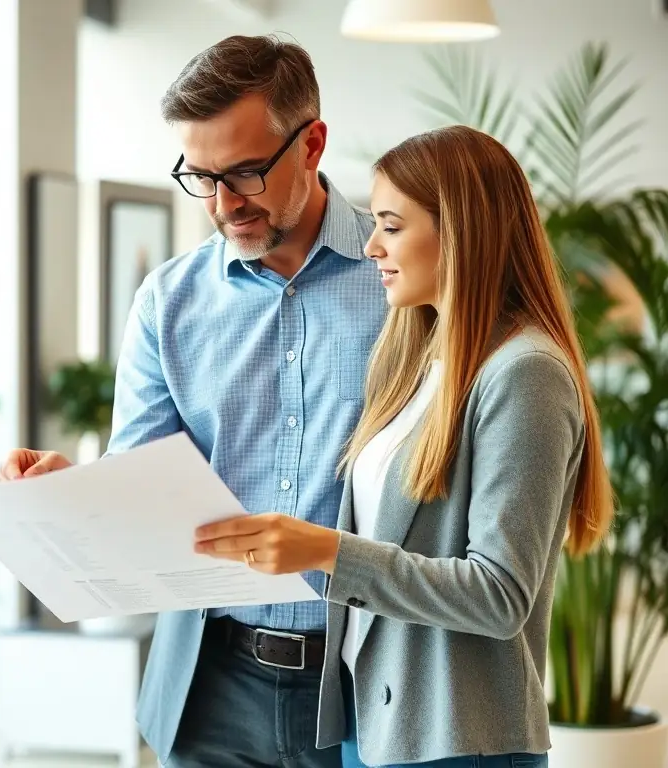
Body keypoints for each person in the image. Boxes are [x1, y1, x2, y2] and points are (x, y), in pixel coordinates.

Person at [0, 34, 388, 768]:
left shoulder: (400, 281)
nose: (222, 204)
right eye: (199, 176)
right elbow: (140, 481)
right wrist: (70, 490)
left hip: (366, 682)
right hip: (210, 688)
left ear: (312, 144)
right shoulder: (168, 302)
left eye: (244, 172)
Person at [194, 124, 616, 767]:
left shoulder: (525, 372)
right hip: (380, 726)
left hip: (459, 740)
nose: (370, 246)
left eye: (391, 225)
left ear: (461, 232)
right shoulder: (421, 356)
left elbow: (498, 594)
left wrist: (325, 550)